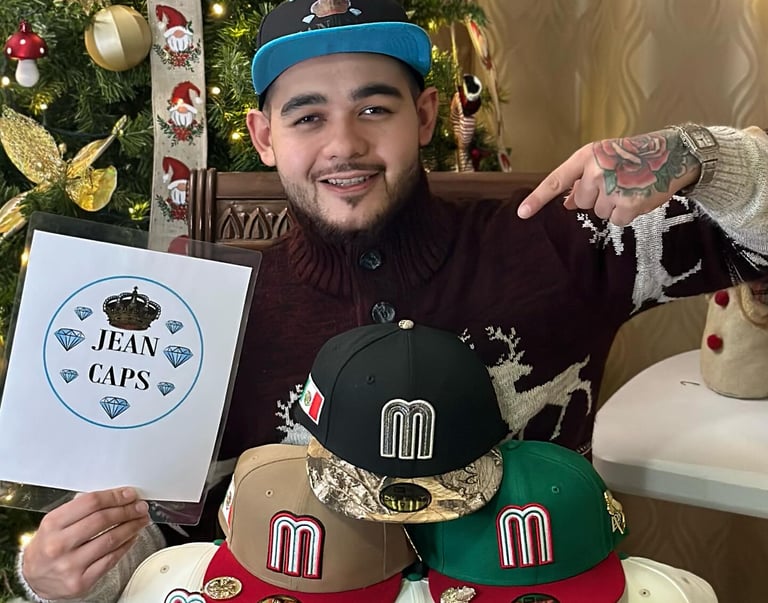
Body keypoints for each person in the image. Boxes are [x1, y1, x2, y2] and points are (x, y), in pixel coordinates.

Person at [15, 0, 768, 601]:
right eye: (307, 116)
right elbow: (161, 540)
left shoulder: (559, 243)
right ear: (264, 136)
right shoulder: (205, 316)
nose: (344, 144)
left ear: (427, 116)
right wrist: (72, 573)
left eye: (375, 108)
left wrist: (702, 157)